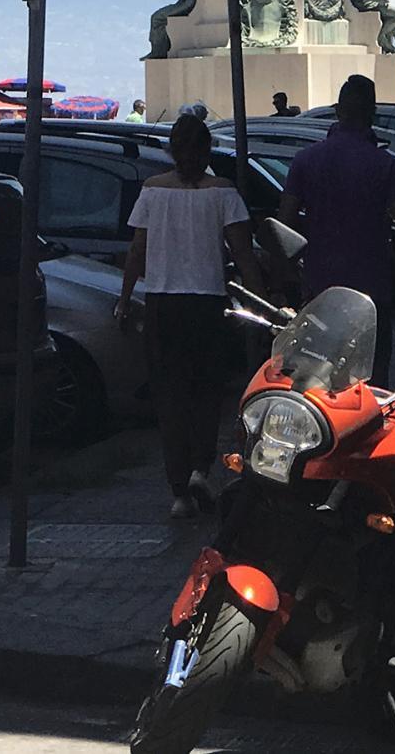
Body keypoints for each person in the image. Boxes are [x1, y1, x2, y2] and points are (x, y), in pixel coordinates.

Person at [116, 113, 264, 517]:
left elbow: (136, 250)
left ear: (172, 151)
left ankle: (178, 488)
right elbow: (243, 254)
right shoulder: (224, 193)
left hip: (163, 303)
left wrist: (125, 297)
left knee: (170, 397)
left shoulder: (152, 191)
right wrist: (262, 301)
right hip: (206, 302)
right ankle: (202, 466)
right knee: (207, 392)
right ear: (207, 150)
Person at [278, 74, 395, 385]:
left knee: (315, 381)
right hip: (371, 293)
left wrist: (287, 272)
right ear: (372, 113)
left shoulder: (305, 161)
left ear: (337, 111)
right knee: (371, 385)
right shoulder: (386, 166)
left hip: (320, 289)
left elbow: (284, 222)